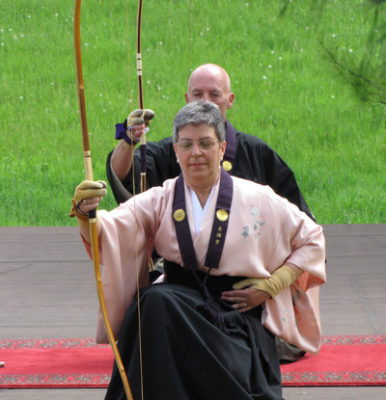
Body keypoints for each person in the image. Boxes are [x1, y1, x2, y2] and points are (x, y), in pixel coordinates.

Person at [71, 101, 326, 400]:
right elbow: (109, 232)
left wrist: (273, 285)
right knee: (152, 303)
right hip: (179, 303)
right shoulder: (162, 198)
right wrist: (84, 212)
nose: (196, 153)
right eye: (187, 144)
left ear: (221, 148)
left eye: (205, 143)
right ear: (176, 151)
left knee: (156, 304)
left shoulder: (260, 198)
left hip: (235, 318)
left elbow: (312, 239)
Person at [106, 63, 314, 222]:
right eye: (198, 94)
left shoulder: (256, 153)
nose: (205, 101)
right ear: (187, 99)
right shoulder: (169, 151)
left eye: (214, 94)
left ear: (230, 100)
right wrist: (129, 140)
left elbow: (300, 220)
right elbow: (123, 172)